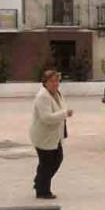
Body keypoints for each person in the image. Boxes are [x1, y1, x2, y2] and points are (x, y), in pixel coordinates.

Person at [29, 70, 73, 199]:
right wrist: (64, 114)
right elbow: (46, 117)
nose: (55, 84)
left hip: (54, 136)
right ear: (45, 82)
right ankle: (43, 191)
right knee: (47, 163)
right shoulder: (43, 96)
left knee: (57, 159)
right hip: (43, 136)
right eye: (52, 81)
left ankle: (39, 182)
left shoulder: (57, 93)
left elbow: (60, 108)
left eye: (57, 81)